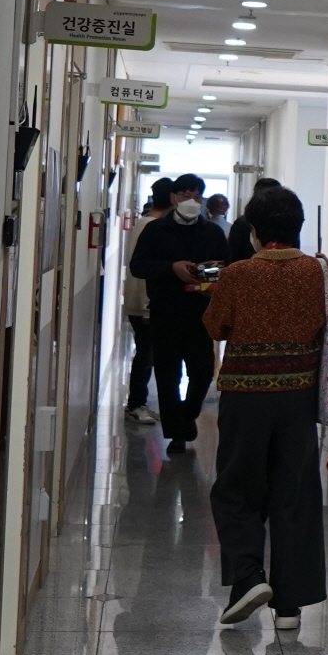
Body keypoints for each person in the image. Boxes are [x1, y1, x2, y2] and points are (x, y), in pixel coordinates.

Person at [205, 183, 328, 629]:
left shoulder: (238, 274)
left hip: (244, 399)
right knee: (294, 493)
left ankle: (249, 577)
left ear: (254, 231)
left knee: (236, 488)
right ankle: (290, 605)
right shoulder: (317, 272)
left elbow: (215, 326)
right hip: (297, 398)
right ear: (298, 227)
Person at [128, 172, 230, 454]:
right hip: (165, 313)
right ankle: (177, 434)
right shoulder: (155, 230)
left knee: (202, 373)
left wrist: (209, 278)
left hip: (201, 314)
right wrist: (171, 268)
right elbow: (138, 266)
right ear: (174, 198)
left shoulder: (212, 233)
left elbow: (227, 268)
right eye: (186, 195)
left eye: (197, 196)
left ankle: (188, 415)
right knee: (167, 376)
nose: (192, 201)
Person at [123, 178, 175, 422]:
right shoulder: (151, 226)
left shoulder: (145, 222)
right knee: (145, 355)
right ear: (173, 199)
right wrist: (147, 307)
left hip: (142, 302)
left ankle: (139, 402)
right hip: (144, 304)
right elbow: (145, 270)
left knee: (147, 354)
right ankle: (135, 405)